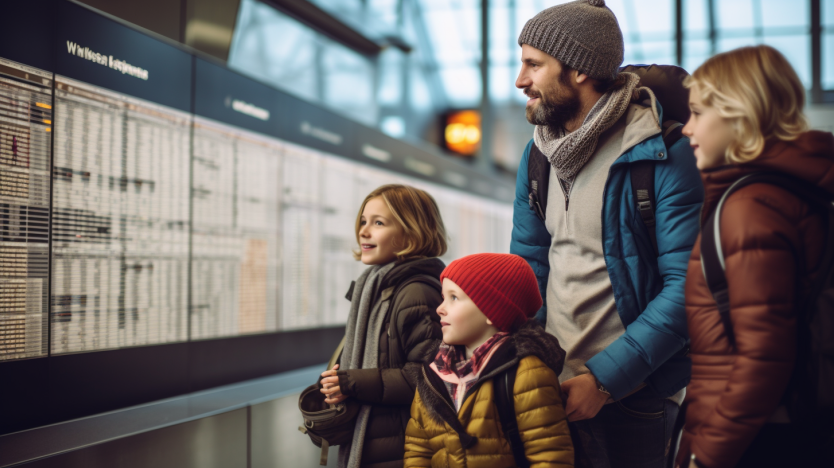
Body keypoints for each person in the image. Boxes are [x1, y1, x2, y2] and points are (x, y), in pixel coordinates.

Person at [510, 1, 704, 466]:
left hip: (634, 398)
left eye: (534, 65)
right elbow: (527, 272)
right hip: (548, 391)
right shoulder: (538, 157)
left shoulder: (661, 151)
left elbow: (688, 288)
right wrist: (524, 364)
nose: (520, 81)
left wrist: (603, 381)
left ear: (579, 70)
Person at [675, 45, 834, 468]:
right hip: (790, 429)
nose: (687, 128)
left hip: (756, 441)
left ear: (739, 114)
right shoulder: (794, 193)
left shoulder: (752, 207)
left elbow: (764, 357)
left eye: (698, 113)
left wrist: (706, 455)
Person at [403, 253, 574, 467]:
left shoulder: (527, 373)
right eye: (443, 297)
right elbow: (417, 448)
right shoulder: (434, 372)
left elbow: (550, 456)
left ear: (491, 310)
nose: (440, 308)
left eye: (453, 298)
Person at [319, 184, 448, 468]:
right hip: (379, 444)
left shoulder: (416, 293)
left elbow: (428, 377)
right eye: (363, 221)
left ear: (412, 233)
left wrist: (352, 383)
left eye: (378, 223)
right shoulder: (376, 288)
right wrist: (340, 383)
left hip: (404, 450)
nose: (364, 231)